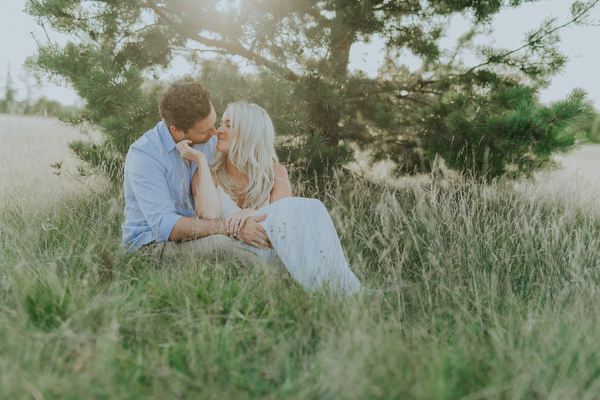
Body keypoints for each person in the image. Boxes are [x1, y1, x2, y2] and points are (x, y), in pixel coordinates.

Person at [177, 102, 362, 295]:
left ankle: (331, 288)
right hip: (233, 260)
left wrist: (249, 213)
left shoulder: (275, 172)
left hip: (276, 259)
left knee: (311, 207)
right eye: (222, 123)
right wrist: (201, 161)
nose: (218, 131)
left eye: (228, 125)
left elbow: (281, 229)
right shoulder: (207, 174)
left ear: (249, 132)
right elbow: (207, 215)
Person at [121, 82, 287, 276]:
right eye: (205, 131)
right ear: (176, 130)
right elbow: (168, 228)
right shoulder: (145, 155)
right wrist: (231, 228)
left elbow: (249, 163)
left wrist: (249, 214)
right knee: (221, 245)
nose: (215, 133)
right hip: (153, 246)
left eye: (214, 123)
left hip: (199, 237)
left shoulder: (212, 140)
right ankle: (288, 286)